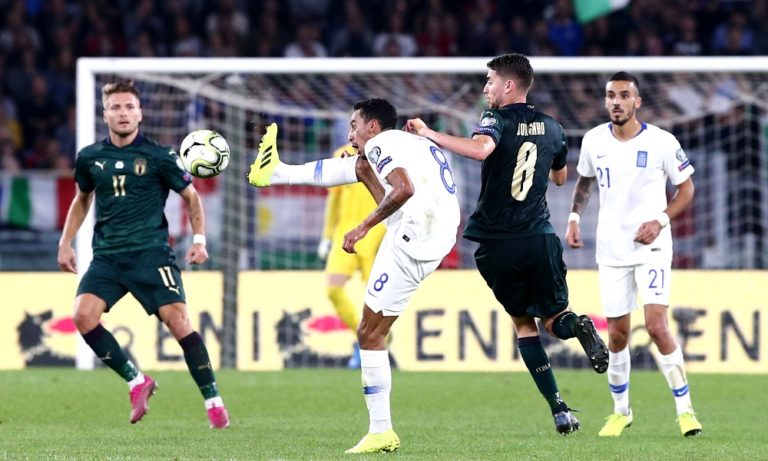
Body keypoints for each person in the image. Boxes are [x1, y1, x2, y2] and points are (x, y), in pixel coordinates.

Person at [404, 52, 608, 435]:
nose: (486, 88)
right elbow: (560, 178)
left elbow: (482, 149)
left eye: (490, 81)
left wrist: (430, 134)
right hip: (540, 237)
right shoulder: (554, 127)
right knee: (556, 319)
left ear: (509, 85)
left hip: (498, 241)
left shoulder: (494, 119)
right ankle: (579, 327)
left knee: (524, 325)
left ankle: (559, 409)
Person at [248, 98, 460, 454]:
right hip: (434, 232)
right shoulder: (410, 142)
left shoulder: (380, 143)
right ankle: (277, 172)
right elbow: (398, 183)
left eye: (354, 125)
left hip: (413, 241)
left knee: (369, 333)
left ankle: (381, 431)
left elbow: (404, 189)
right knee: (359, 167)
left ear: (372, 126)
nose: (350, 134)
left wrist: (362, 227)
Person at [57, 81, 229, 429]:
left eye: (129, 107)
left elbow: (192, 197)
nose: (123, 113)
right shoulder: (90, 157)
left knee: (178, 322)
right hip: (107, 256)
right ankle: (137, 381)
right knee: (82, 316)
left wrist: (199, 240)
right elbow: (82, 198)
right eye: (116, 107)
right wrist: (65, 241)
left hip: (151, 255)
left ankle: (213, 401)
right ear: (105, 114)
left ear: (140, 113)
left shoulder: (159, 156)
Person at [565, 71, 702, 437]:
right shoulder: (594, 140)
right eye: (611, 95)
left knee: (656, 326)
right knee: (617, 336)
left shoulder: (661, 142)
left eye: (624, 95)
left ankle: (686, 412)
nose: (617, 101)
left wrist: (660, 220)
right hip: (612, 250)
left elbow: (687, 189)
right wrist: (574, 218)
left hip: (652, 246)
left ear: (637, 102)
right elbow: (585, 180)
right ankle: (621, 412)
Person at [317, 143, 386, 369]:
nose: (353, 131)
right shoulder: (340, 155)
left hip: (375, 232)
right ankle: (363, 337)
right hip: (345, 233)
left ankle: (377, 340)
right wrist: (327, 236)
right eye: (352, 126)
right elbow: (333, 201)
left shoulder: (385, 153)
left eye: (357, 126)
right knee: (333, 290)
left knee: (377, 298)